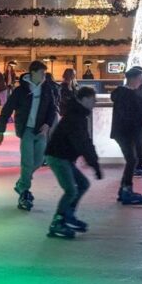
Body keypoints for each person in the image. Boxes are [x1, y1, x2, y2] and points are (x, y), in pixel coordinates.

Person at [0, 61, 57, 211]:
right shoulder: (21, 91)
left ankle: (21, 185)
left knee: (39, 161)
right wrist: (0, 130)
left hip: (41, 131)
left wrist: (48, 124)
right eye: (42, 73)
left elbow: (52, 109)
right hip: (27, 131)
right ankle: (24, 192)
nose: (44, 75)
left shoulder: (47, 89)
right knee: (27, 162)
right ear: (33, 73)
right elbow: (7, 109)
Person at [44, 87, 103, 239]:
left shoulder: (80, 115)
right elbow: (82, 143)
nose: (94, 103)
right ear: (84, 99)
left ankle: (68, 215)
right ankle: (57, 223)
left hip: (65, 157)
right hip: (58, 156)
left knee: (83, 184)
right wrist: (94, 164)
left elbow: (86, 142)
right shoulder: (75, 117)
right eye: (92, 100)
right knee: (71, 190)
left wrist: (94, 163)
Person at [110, 66, 142, 205]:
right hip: (125, 132)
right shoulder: (127, 94)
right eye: (140, 77)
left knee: (132, 159)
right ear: (134, 78)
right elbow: (128, 114)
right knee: (132, 160)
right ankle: (126, 190)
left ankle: (125, 189)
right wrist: (141, 119)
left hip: (125, 131)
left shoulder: (128, 93)